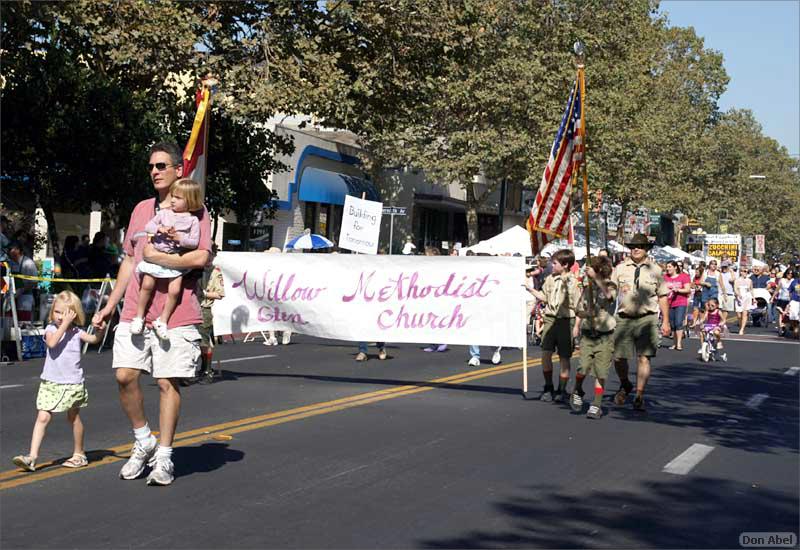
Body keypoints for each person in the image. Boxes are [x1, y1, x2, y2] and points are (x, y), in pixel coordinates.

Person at [93, 141, 211, 487]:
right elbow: (131, 259)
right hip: (136, 308)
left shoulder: (197, 211)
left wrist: (159, 259)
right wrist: (110, 305)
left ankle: (164, 456)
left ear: (178, 170)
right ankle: (143, 439)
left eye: (161, 166)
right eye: (151, 167)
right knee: (125, 375)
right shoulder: (142, 209)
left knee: (165, 381)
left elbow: (200, 258)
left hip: (175, 310)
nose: (155, 172)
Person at [12, 291, 106, 472]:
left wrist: (100, 330)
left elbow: (93, 339)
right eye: (57, 312)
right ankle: (32, 457)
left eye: (66, 313)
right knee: (43, 416)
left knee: (73, 417)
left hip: (72, 383)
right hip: (50, 382)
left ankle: (79, 453)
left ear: (75, 314)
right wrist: (65, 326)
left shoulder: (77, 332)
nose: (60, 317)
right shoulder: (50, 330)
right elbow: (52, 343)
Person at [130, 178, 202, 340]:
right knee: (147, 284)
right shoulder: (163, 214)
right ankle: (139, 316)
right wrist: (160, 229)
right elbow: (149, 226)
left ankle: (162, 320)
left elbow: (193, 242)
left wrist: (179, 238)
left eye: (178, 197)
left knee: (175, 290)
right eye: (173, 196)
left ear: (189, 200)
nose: (173, 200)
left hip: (174, 260)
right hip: (155, 257)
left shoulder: (193, 220)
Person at [610, 234, 670, 412]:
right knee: (619, 357)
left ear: (646, 249)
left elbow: (663, 296)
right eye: (633, 247)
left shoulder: (655, 270)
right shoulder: (620, 269)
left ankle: (639, 394)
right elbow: (610, 293)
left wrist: (665, 321)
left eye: (640, 246)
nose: (636, 249)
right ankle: (625, 383)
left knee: (644, 358)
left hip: (647, 318)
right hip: (624, 318)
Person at [525, 249, 580, 402]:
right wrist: (530, 289)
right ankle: (548, 386)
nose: (552, 265)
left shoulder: (573, 282)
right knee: (545, 353)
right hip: (550, 319)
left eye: (555, 263)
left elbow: (578, 306)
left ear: (565, 265)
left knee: (564, 357)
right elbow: (544, 297)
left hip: (565, 320)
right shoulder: (550, 279)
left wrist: (576, 326)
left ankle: (561, 390)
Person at [571, 255, 616, 419]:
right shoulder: (587, 288)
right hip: (588, 334)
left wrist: (596, 279)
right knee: (583, 367)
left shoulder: (610, 285)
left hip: (605, 334)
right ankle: (577, 388)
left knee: (601, 372)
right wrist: (583, 317)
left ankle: (596, 404)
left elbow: (609, 297)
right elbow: (578, 310)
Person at [198, 245, 224, 384]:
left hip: (203, 308)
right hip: (189, 308)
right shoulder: (195, 268)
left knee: (204, 340)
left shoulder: (215, 272)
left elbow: (220, 294)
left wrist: (205, 294)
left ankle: (207, 369)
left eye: (210, 254)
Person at [7, 241, 38, 322]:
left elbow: (34, 282)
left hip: (25, 298)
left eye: (10, 249)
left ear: (17, 250)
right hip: (11, 298)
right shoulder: (10, 263)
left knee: (24, 324)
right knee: (10, 323)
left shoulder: (28, 263)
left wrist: (21, 291)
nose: (8, 251)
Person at [664, 260, 691, 350]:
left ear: (675, 267)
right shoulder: (665, 277)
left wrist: (678, 290)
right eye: (667, 267)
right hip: (669, 302)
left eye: (670, 267)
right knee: (672, 324)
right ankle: (674, 343)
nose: (668, 269)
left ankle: (679, 343)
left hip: (680, 302)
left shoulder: (684, 276)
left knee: (679, 322)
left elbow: (687, 289)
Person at [734, 267, 754, 335]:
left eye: (747, 271)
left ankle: (742, 329)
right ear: (741, 272)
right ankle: (741, 326)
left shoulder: (749, 280)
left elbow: (751, 289)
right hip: (739, 297)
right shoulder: (737, 280)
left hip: (747, 297)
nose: (746, 273)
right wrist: (738, 294)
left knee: (745, 313)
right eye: (744, 271)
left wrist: (753, 298)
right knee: (739, 315)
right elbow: (735, 289)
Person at [773, 268, 794, 335]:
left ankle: (787, 325)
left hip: (790, 300)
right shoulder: (782, 280)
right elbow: (777, 289)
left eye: (791, 274)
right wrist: (772, 297)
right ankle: (781, 328)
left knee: (788, 314)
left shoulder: (793, 281)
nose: (789, 275)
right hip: (782, 299)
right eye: (788, 273)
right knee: (781, 314)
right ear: (786, 274)